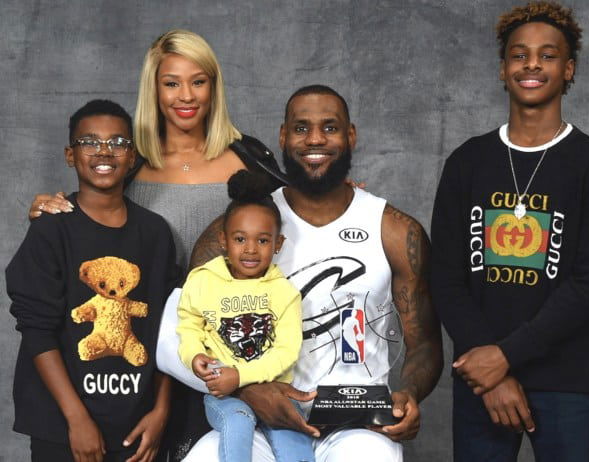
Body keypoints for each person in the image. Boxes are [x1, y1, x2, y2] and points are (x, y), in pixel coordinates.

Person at [27, 29, 287, 459]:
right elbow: (90, 226)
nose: (186, 96)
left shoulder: (251, 161)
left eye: (198, 81)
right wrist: (47, 208)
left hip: (232, 354)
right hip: (149, 363)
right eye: (171, 83)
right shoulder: (129, 164)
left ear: (214, 87)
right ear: (154, 88)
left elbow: (293, 221)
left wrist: (338, 194)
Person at [156, 84, 444, 462]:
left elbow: (425, 343)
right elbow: (173, 339)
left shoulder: (394, 230)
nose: (315, 139)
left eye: (330, 127)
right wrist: (246, 389)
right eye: (301, 128)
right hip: (260, 418)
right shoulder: (241, 230)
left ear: (351, 135)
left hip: (356, 424)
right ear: (283, 136)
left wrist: (409, 394)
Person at [430, 2, 589, 461]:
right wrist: (490, 368)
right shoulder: (468, 162)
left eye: (548, 55)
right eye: (519, 55)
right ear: (503, 69)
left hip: (564, 379)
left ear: (568, 69)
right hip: (480, 376)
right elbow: (445, 276)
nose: (532, 64)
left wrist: (506, 357)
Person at [6, 100, 180, 462]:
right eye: (89, 141)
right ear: (70, 155)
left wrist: (161, 411)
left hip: (137, 424)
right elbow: (37, 329)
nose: (104, 150)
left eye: (118, 142)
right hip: (63, 425)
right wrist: (76, 418)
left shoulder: (155, 233)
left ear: (132, 156)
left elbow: (170, 326)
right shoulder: (51, 229)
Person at [176, 170, 313, 462]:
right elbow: (189, 326)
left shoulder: (284, 293)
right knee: (238, 423)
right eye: (240, 239)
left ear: (278, 244)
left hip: (275, 390)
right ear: (224, 240)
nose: (250, 249)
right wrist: (194, 355)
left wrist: (240, 376)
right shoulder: (203, 280)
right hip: (225, 397)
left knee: (295, 445)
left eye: (262, 241)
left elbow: (286, 351)